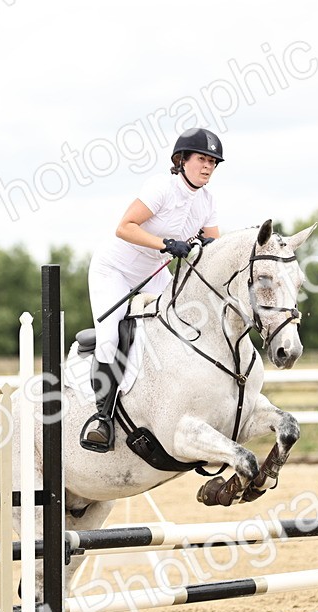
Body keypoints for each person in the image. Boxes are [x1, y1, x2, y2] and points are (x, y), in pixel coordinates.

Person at [79, 127, 224, 452]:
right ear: (182, 160)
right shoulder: (161, 187)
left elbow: (213, 244)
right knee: (111, 336)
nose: (207, 167)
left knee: (183, 326)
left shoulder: (207, 201)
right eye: (202, 159)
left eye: (213, 162)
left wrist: (204, 246)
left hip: (155, 273)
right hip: (115, 270)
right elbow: (124, 227)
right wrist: (166, 244)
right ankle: (101, 419)